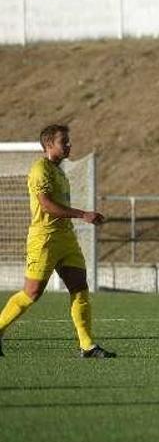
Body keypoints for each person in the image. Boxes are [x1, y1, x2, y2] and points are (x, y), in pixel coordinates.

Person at [0, 124, 113, 358]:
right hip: (44, 239)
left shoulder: (60, 171)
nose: (69, 145)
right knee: (32, 293)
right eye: (64, 141)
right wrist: (84, 215)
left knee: (80, 287)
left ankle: (87, 345)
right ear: (49, 145)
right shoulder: (40, 169)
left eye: (69, 141)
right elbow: (47, 206)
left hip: (66, 238)